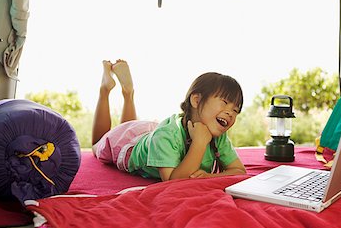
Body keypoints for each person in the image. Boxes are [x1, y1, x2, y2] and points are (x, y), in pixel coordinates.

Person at [92, 59, 246, 181]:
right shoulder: (166, 135)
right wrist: (199, 143)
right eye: (225, 103)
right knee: (96, 144)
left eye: (235, 110)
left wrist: (209, 177)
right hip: (128, 143)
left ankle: (128, 93)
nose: (230, 113)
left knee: (128, 125)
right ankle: (106, 89)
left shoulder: (218, 136)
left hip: (150, 133)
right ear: (197, 100)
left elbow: (239, 171)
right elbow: (173, 181)